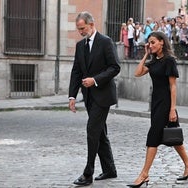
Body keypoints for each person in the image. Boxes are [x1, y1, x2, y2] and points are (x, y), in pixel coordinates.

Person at [127, 31, 188, 187]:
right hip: (156, 104)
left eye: (153, 42)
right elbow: (137, 73)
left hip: (166, 104)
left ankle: (144, 174)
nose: (151, 45)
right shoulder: (153, 62)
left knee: (153, 137)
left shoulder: (169, 60)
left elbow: (173, 86)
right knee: (173, 137)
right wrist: (145, 55)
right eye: (149, 43)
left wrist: (172, 109)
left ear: (161, 42)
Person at [68, 11, 120, 186]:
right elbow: (76, 71)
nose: (80, 32)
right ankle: (110, 169)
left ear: (91, 24)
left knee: (92, 131)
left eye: (82, 28)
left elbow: (115, 67)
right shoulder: (79, 45)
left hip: (103, 95)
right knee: (100, 133)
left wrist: (95, 80)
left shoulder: (106, 42)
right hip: (88, 96)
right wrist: (72, 95)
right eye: (78, 29)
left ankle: (88, 173)